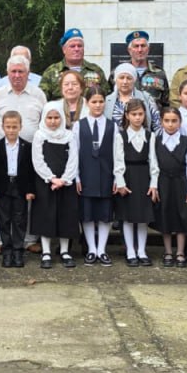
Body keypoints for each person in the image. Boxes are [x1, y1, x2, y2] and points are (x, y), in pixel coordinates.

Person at [32, 102, 80, 269]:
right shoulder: (39, 135)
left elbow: (73, 159)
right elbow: (38, 160)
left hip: (65, 183)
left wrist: (65, 179)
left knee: (65, 216)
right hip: (46, 183)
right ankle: (46, 251)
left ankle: (65, 251)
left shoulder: (69, 135)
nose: (53, 121)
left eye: (56, 117)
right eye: (49, 118)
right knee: (46, 216)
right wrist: (52, 178)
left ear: (62, 117)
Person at [0, 110, 36, 268]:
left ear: (20, 127)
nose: (11, 130)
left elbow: (30, 170)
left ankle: (18, 251)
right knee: (4, 220)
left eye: (14, 126)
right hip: (3, 187)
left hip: (20, 187)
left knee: (20, 220)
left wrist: (30, 190)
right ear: (2, 127)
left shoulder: (27, 146)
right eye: (8, 126)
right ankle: (6, 251)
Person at [114, 98, 157, 266]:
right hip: (128, 177)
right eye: (134, 114)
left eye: (140, 114)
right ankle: (130, 251)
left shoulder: (150, 135)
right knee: (128, 216)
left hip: (144, 177)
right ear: (127, 115)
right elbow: (118, 161)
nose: (138, 118)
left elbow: (153, 161)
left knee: (143, 217)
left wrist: (153, 183)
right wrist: (120, 183)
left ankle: (142, 250)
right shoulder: (121, 136)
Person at [77, 87, 117, 265]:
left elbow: (117, 154)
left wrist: (117, 177)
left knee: (104, 214)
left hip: (106, 175)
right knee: (87, 214)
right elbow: (75, 154)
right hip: (86, 175)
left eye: (101, 101)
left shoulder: (112, 126)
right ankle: (91, 249)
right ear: (87, 103)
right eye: (94, 101)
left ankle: (102, 249)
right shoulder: (79, 125)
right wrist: (76, 177)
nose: (98, 105)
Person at [153, 107, 187, 267]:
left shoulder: (186, 141)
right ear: (162, 122)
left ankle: (180, 251)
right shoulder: (156, 141)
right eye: (167, 121)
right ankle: (168, 251)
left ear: (180, 122)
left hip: (181, 182)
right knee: (165, 215)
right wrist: (154, 186)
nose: (170, 124)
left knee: (182, 215)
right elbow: (154, 165)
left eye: (174, 121)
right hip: (163, 183)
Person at [39, 29, 109, 100]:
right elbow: (41, 98)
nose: (76, 49)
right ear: (64, 49)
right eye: (72, 46)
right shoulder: (52, 71)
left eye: (80, 46)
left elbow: (107, 96)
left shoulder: (95, 70)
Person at [0, 56, 46, 141]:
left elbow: (45, 122)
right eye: (13, 71)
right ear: (7, 73)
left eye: (20, 71)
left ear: (28, 73)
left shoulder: (38, 95)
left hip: (31, 149)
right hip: (2, 149)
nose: (17, 75)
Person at [110, 62, 160, 133]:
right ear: (116, 80)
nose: (125, 81)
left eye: (129, 78)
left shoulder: (146, 98)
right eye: (121, 78)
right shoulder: (107, 100)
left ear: (134, 80)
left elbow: (157, 124)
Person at [125, 30, 169, 110]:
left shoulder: (159, 73)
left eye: (143, 46)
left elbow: (166, 103)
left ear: (148, 49)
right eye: (136, 46)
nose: (140, 50)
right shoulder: (120, 73)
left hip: (154, 121)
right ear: (129, 50)